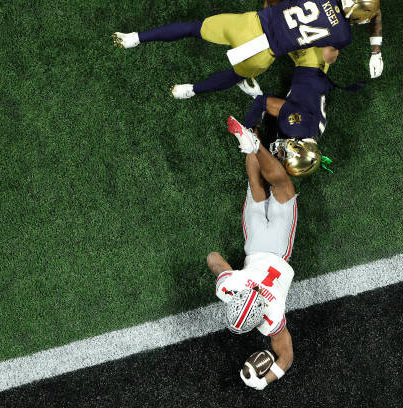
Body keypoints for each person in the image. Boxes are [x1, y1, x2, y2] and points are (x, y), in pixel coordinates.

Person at [112, 0, 380, 99]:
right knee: (234, 76)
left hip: (249, 24)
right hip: (263, 53)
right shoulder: (344, 34)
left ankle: (135, 37)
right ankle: (190, 90)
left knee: (193, 27)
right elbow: (326, 56)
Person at [206, 116, 298, 389]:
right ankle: (251, 136)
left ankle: (256, 145)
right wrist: (225, 278)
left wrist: (264, 381)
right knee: (257, 186)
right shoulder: (232, 287)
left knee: (281, 186)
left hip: (279, 249)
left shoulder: (273, 317)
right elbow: (213, 257)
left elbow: (287, 357)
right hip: (254, 244)